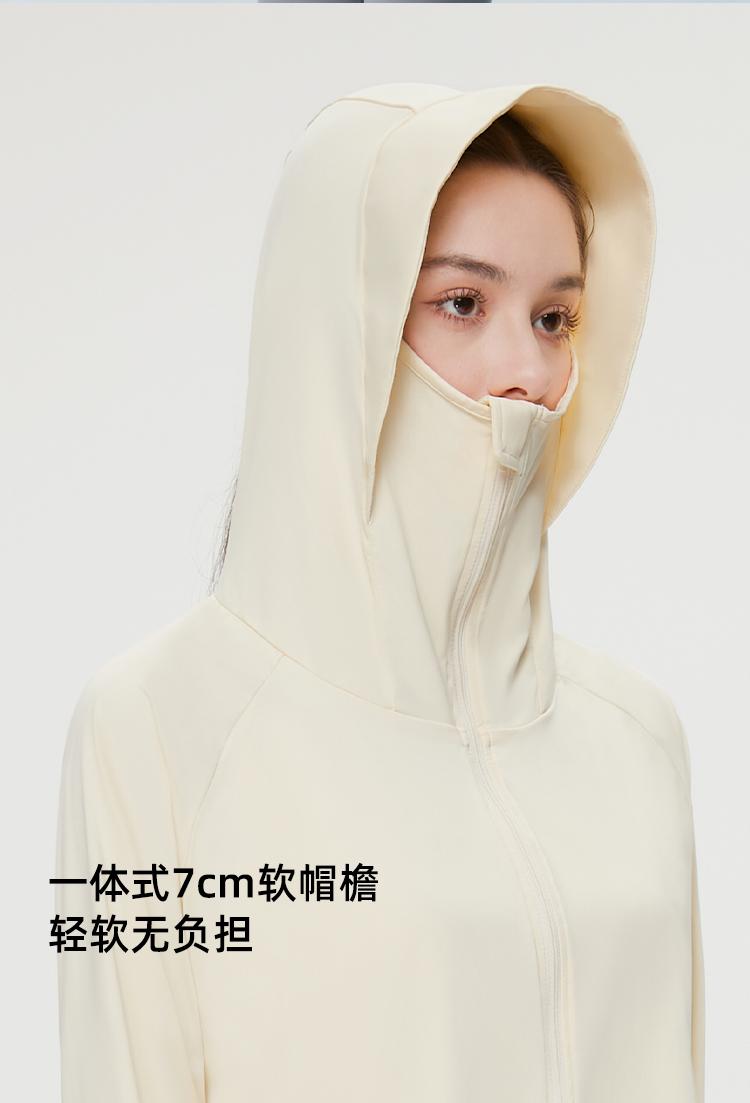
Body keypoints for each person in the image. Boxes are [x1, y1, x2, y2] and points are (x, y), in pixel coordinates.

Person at [55, 81, 704, 1102]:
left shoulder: (639, 737)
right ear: (336, 328)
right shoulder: (156, 727)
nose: (526, 369)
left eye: (555, 317)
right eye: (462, 303)